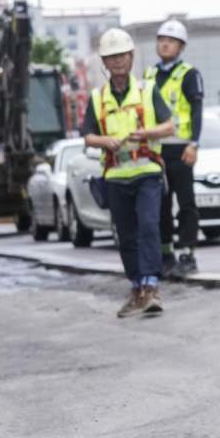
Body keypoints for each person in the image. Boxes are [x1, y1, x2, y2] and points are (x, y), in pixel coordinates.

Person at [81, 28, 176, 317]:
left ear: (131, 57)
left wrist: (146, 132)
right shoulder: (97, 98)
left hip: (146, 171)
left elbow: (169, 126)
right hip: (115, 175)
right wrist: (104, 141)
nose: (118, 61)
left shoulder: (147, 90)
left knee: (148, 227)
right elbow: (87, 136)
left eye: (122, 55)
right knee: (126, 234)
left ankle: (151, 286)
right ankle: (137, 288)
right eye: (112, 57)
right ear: (105, 63)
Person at [145, 18, 204, 279]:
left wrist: (194, 143)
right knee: (161, 204)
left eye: (170, 41)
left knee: (186, 203)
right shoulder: (148, 75)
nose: (164, 44)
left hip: (181, 148)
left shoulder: (189, 74)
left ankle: (188, 254)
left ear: (181, 46)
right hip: (156, 149)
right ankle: (165, 253)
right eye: (161, 40)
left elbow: (197, 110)